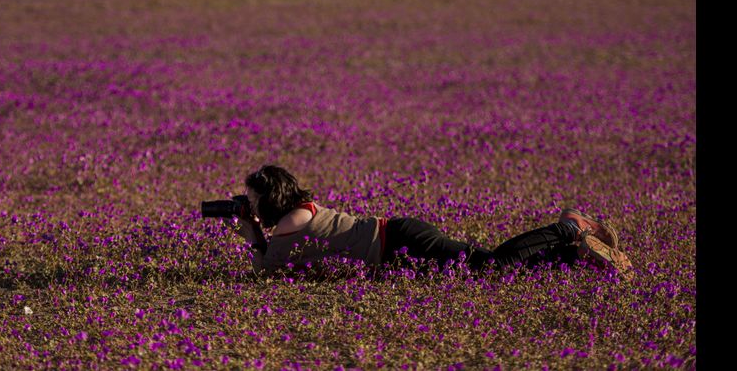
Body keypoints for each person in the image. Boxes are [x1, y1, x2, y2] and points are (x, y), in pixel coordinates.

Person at [221, 165, 634, 281]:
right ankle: (573, 257)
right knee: (488, 271)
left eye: (253, 195)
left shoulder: (290, 223)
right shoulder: (300, 209)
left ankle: (567, 227)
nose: (247, 200)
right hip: (398, 243)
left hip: (403, 242)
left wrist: (249, 231)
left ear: (268, 197)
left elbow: (267, 268)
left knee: (487, 267)